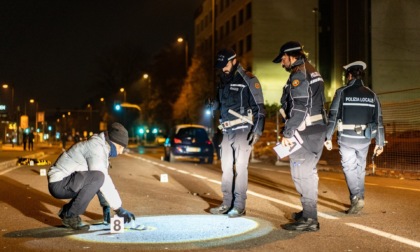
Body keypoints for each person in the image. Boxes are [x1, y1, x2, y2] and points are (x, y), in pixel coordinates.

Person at [272, 41, 327, 231]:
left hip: (304, 131)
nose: (282, 63)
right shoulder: (312, 71)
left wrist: (288, 132)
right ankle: (307, 212)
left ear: (291, 56)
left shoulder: (299, 75)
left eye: (283, 59)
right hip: (315, 129)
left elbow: (300, 106)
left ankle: (310, 219)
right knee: (308, 173)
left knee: (301, 174)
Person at [209, 48, 265, 218]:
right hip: (226, 130)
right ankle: (226, 203)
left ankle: (239, 206)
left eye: (225, 65)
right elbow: (222, 103)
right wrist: (214, 105)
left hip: (242, 129)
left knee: (240, 168)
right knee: (226, 168)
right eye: (221, 66)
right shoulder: (222, 80)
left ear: (234, 61)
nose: (223, 69)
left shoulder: (248, 79)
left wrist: (257, 130)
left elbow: (259, 108)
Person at [47, 122, 135, 230]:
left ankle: (67, 211)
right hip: (59, 183)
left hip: (65, 181)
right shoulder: (96, 149)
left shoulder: (100, 147)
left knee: (97, 177)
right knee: (98, 176)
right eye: (120, 147)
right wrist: (118, 209)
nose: (121, 152)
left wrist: (106, 205)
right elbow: (102, 179)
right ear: (113, 142)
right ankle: (70, 216)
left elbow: (99, 181)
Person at [324, 61, 385, 214]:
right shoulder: (372, 94)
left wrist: (327, 136)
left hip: (346, 137)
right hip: (365, 138)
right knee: (360, 168)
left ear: (349, 75)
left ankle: (356, 198)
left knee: (349, 167)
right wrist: (380, 142)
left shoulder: (342, 92)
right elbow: (379, 119)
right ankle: (360, 197)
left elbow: (333, 116)